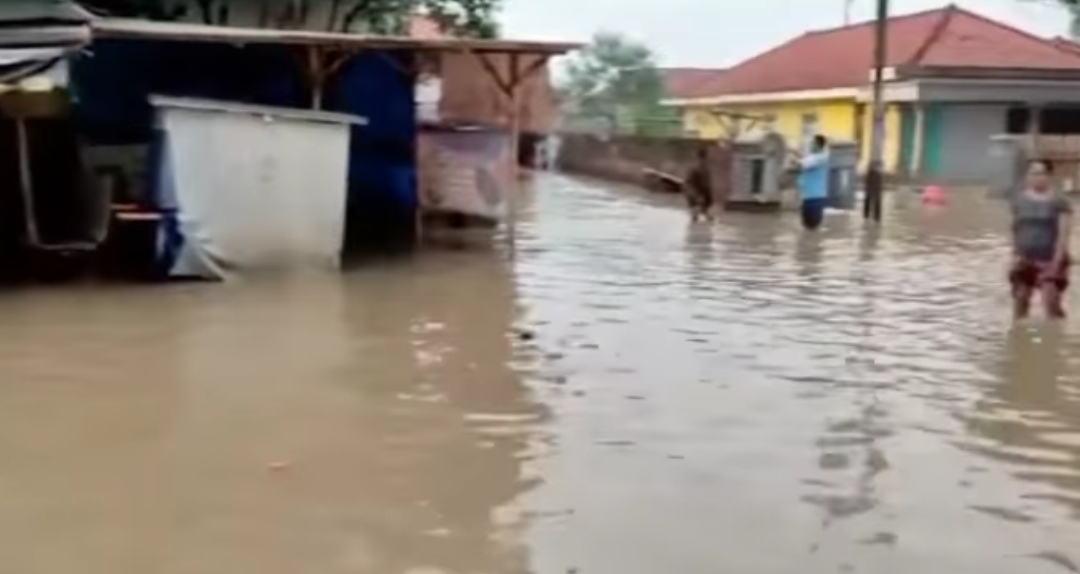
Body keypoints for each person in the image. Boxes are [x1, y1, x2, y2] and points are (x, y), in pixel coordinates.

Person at [1009, 159, 1073, 319]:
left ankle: (1058, 333)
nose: (1038, 177)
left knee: (1051, 302)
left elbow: (1063, 234)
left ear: (1049, 176)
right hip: (1025, 258)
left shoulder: (1059, 202)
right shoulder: (1019, 201)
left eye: (1042, 173)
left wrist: (1056, 263)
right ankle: (1019, 338)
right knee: (1020, 301)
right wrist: (1014, 255)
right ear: (1027, 177)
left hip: (1050, 259)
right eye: (1033, 173)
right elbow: (1015, 229)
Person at [797, 134, 831, 230]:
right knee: (806, 227)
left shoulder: (822, 157)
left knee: (813, 228)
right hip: (807, 197)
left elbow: (802, 164)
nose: (810, 145)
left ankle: (813, 244)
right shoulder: (813, 157)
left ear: (818, 145)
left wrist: (794, 159)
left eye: (812, 143)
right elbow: (804, 162)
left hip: (816, 198)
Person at [684, 146, 714, 222]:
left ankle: (702, 214)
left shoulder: (699, 166)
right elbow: (703, 181)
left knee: (703, 201)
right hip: (694, 189)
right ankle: (700, 214)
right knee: (699, 201)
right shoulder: (701, 167)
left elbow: (689, 181)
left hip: (694, 188)